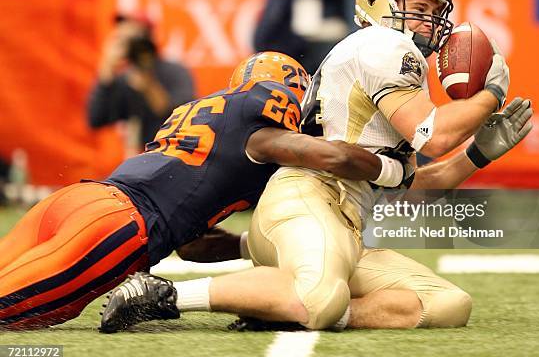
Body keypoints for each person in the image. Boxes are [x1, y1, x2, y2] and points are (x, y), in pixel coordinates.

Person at [100, 0, 532, 333]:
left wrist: (478, 153)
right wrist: (490, 93)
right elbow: (435, 137)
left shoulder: (393, 62)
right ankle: (163, 295)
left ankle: (278, 308)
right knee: (318, 296)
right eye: (417, 7)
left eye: (434, 11)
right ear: (378, 1)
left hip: (341, 224)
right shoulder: (381, 44)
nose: (428, 21)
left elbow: (411, 180)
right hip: (308, 198)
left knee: (447, 304)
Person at [0, 52, 408, 330]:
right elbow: (331, 157)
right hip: (119, 228)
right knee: (12, 311)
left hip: (77, 200)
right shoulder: (263, 122)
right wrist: (391, 170)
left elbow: (193, 246)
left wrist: (247, 247)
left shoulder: (201, 111)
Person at [87, 14, 194, 152]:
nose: (128, 45)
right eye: (121, 39)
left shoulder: (175, 71)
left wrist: (148, 86)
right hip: (138, 160)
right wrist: (106, 70)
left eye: (131, 39)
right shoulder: (124, 79)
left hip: (173, 155)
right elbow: (96, 119)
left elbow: (184, 118)